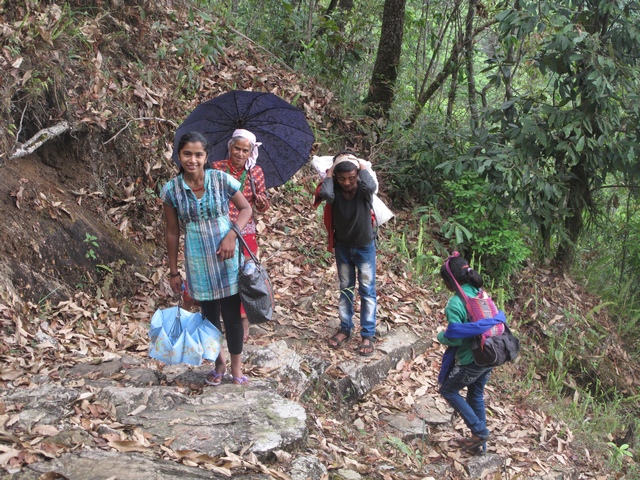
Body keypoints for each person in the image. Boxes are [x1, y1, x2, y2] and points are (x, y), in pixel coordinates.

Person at [161, 131, 253, 386]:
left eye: (198, 154)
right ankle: (218, 362)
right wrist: (173, 271)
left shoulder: (220, 180)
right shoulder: (171, 190)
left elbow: (246, 209)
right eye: (187, 154)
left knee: (232, 315)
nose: (192, 160)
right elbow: (171, 231)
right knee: (209, 316)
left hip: (227, 255)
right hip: (198, 259)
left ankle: (236, 366)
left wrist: (232, 235)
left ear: (206, 156)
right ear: (178, 156)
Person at [211, 129, 270, 342]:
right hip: (220, 229)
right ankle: (222, 318)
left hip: (245, 232)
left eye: (245, 150)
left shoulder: (256, 172)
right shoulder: (217, 168)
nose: (240, 153)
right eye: (237, 148)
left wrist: (262, 202)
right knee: (223, 273)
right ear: (230, 147)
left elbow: (262, 204)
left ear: (250, 152)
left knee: (246, 276)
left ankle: (244, 320)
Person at [318, 152, 378, 356]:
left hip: (365, 247)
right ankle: (345, 328)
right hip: (343, 247)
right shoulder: (333, 189)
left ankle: (368, 334)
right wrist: (330, 173)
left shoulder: (363, 189)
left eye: (351, 178)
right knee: (346, 289)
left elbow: (371, 187)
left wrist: (362, 167)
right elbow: (325, 194)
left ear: (357, 176)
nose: (347, 183)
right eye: (342, 178)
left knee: (367, 291)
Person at [437, 254, 494, 453]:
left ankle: (479, 431)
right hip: (490, 355)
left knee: (448, 390)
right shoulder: (481, 293)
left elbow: (456, 338)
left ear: (450, 282)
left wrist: (441, 336)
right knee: (475, 395)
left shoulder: (455, 303)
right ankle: (480, 447)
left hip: (472, 360)